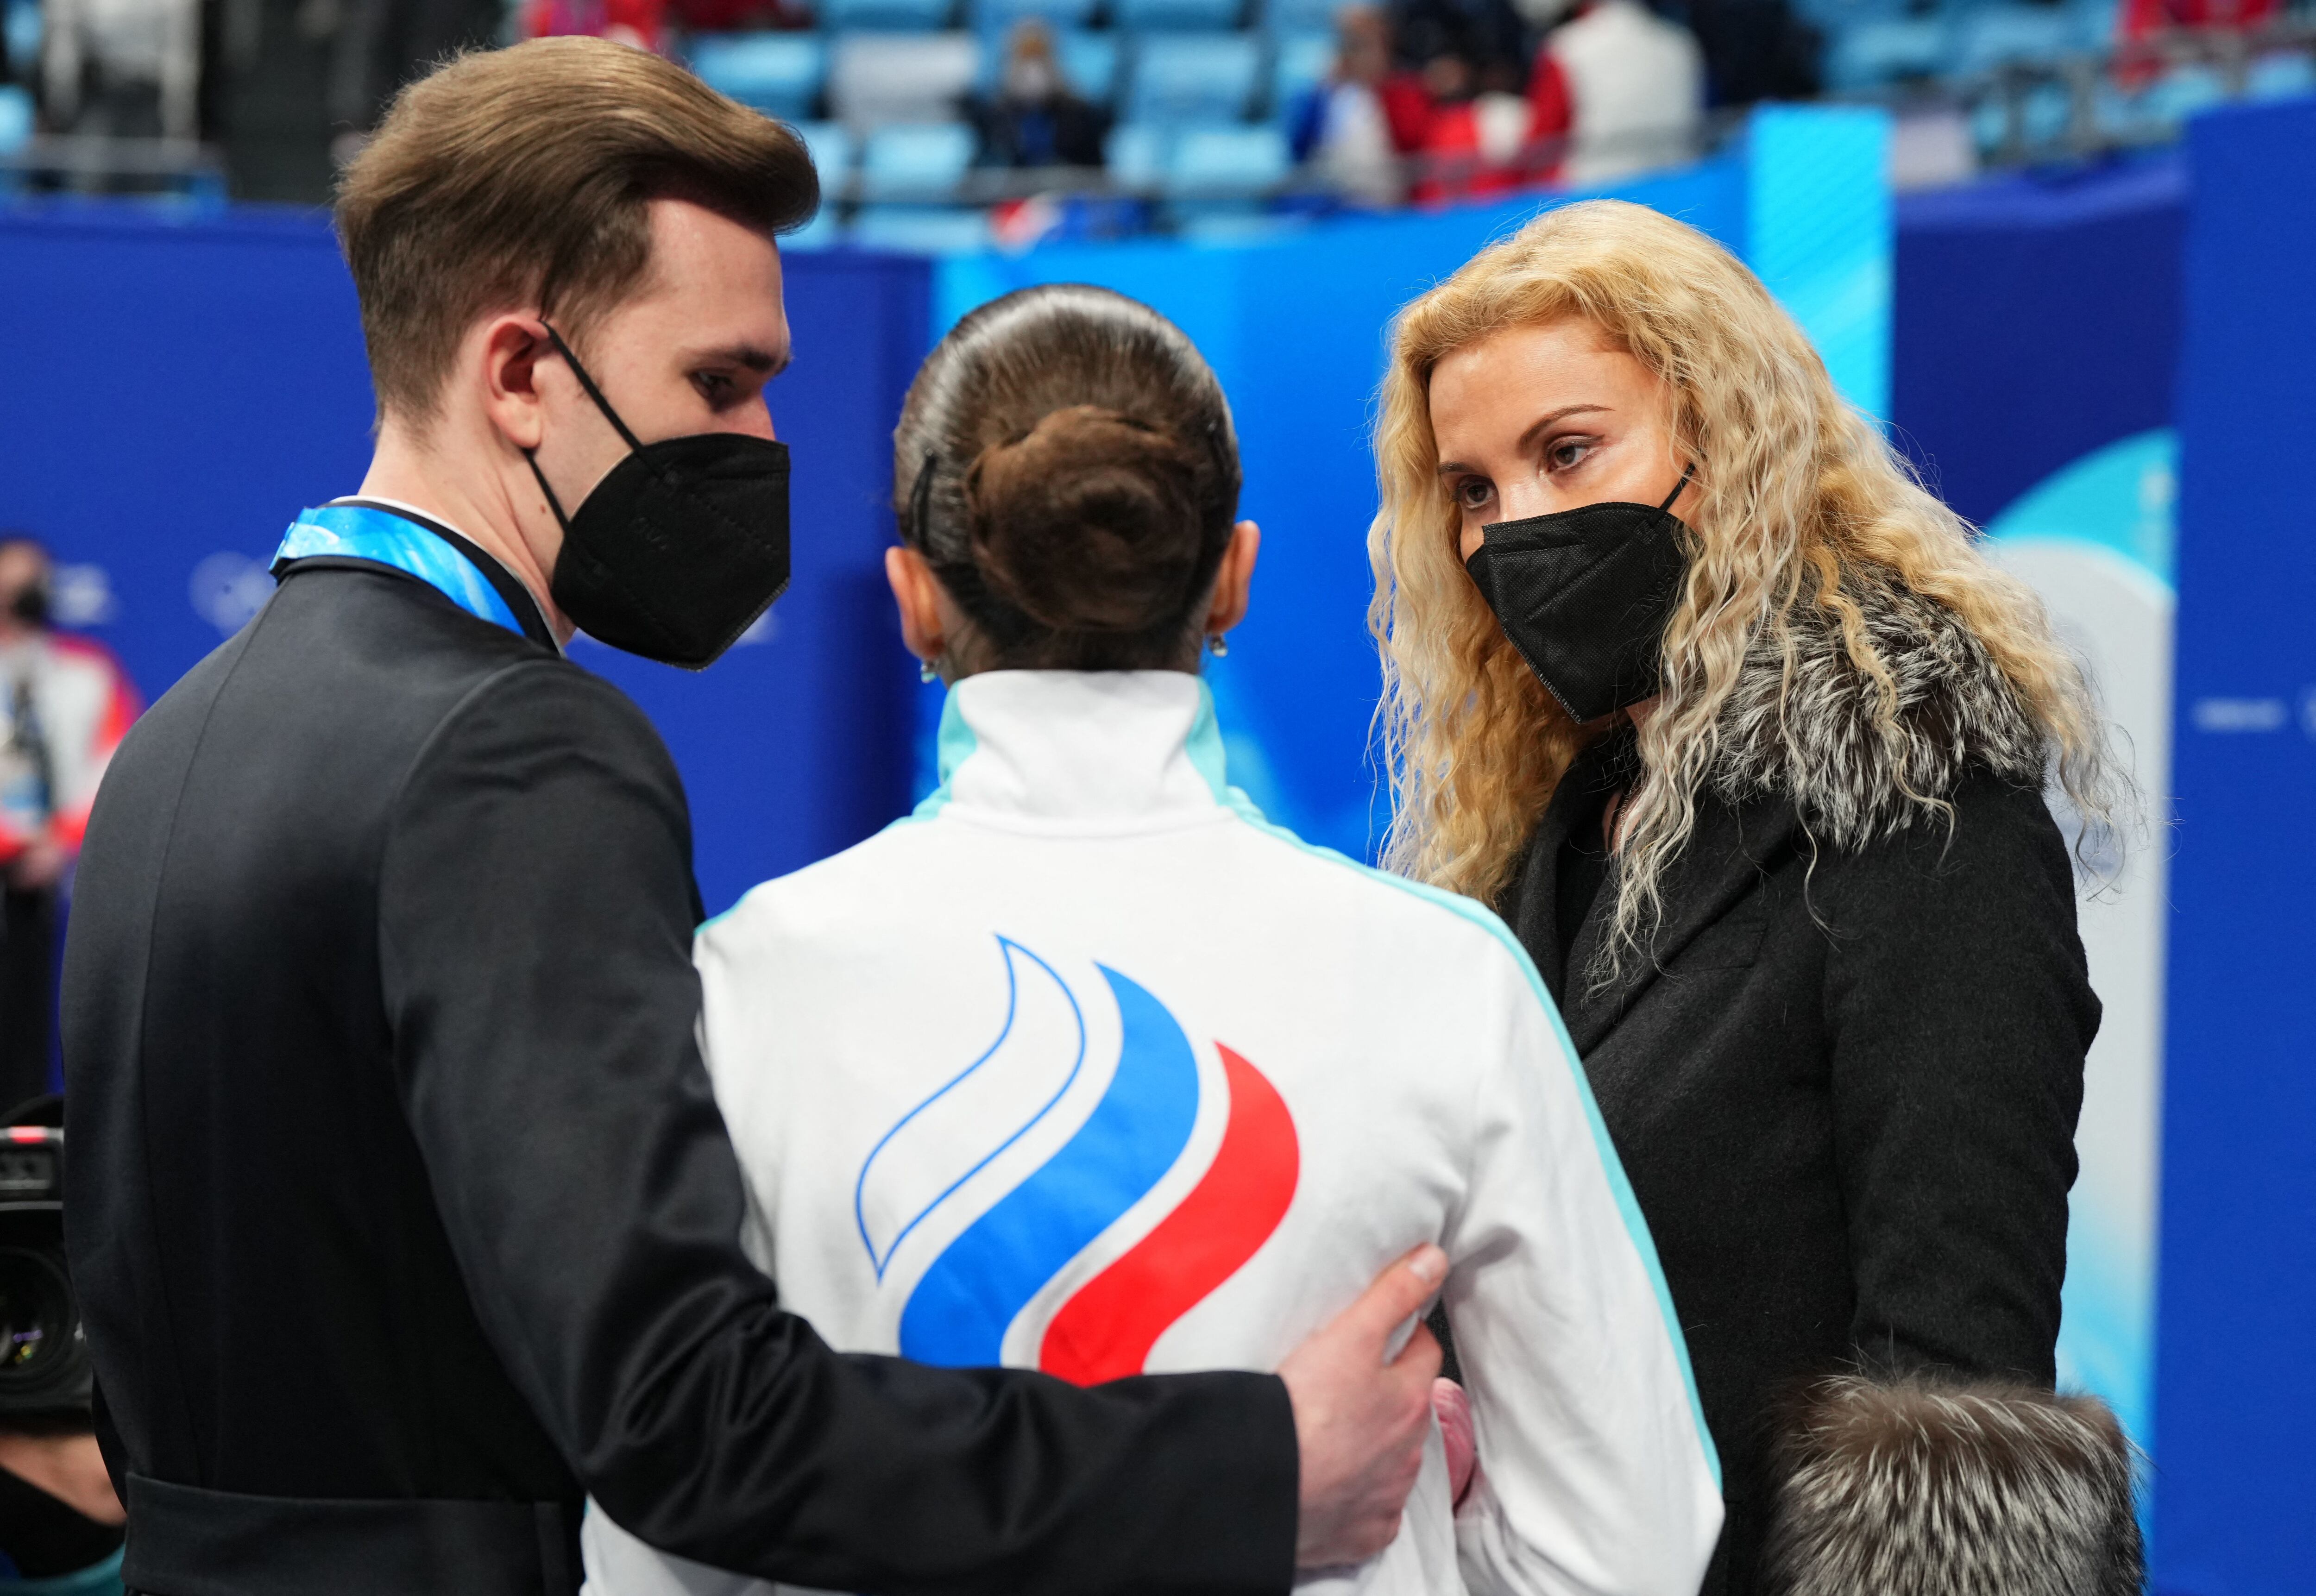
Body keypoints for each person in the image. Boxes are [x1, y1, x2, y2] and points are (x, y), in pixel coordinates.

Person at [61, 39, 1442, 1596]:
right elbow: (688, 1419)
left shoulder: (177, 736)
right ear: (518, 374)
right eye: (721, 383)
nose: (770, 448)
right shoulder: (511, 752)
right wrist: (1255, 1464)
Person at [581, 282, 1723, 1596]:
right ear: (1231, 578)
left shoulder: (748, 981)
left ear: (913, 600)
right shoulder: (1442, 979)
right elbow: (1626, 1536)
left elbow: (659, 1542)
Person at [1365, 201, 2117, 1593]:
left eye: (1566, 450)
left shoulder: (1920, 806)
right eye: (1471, 488)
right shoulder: (1534, 830)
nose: (1511, 524)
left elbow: (1952, 1390)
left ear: (1725, 441)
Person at [0, 537, 136, 1111]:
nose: (29, 589)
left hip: (41, 882)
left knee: (29, 1026)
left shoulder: (86, 674)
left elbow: (115, 763)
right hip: (11, 855)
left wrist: (56, 841)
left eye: (38, 578)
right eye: (15, 576)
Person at [965, 20, 1111, 172]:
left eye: (1040, 63)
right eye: (1024, 66)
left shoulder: (1081, 116)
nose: (1033, 74)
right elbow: (981, 174)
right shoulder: (992, 117)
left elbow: (1094, 172)